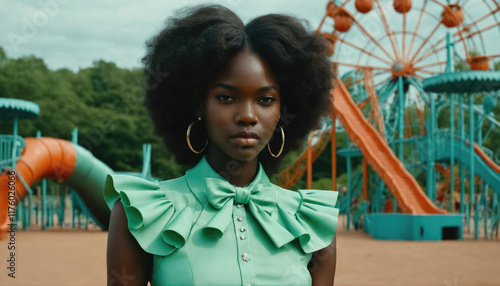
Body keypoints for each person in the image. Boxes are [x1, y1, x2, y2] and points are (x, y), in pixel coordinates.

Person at [105, 4, 338, 286]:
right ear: (198, 104)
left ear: (283, 111)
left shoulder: (312, 222)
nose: (248, 116)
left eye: (265, 100)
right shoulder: (139, 214)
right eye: (226, 98)